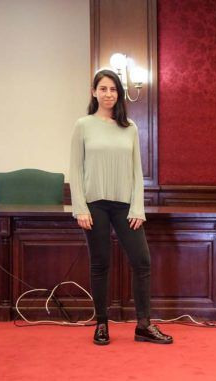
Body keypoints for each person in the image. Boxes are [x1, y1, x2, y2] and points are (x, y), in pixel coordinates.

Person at [70, 69, 173, 345]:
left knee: (142, 261)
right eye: (103, 89)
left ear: (119, 94)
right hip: (95, 206)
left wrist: (138, 208)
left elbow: (137, 172)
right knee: (100, 264)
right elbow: (75, 169)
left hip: (125, 206)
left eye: (113, 89)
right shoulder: (83, 125)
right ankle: (101, 324)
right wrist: (80, 207)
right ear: (94, 92)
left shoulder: (130, 128)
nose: (108, 94)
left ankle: (143, 325)